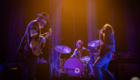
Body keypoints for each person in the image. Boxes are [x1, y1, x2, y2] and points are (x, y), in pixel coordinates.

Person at [17, 12, 51, 80]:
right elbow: (34, 35)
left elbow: (36, 38)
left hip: (31, 50)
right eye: (45, 20)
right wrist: (41, 38)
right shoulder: (34, 23)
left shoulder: (37, 26)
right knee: (30, 71)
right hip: (29, 50)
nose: (46, 22)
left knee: (32, 70)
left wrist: (44, 37)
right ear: (42, 19)